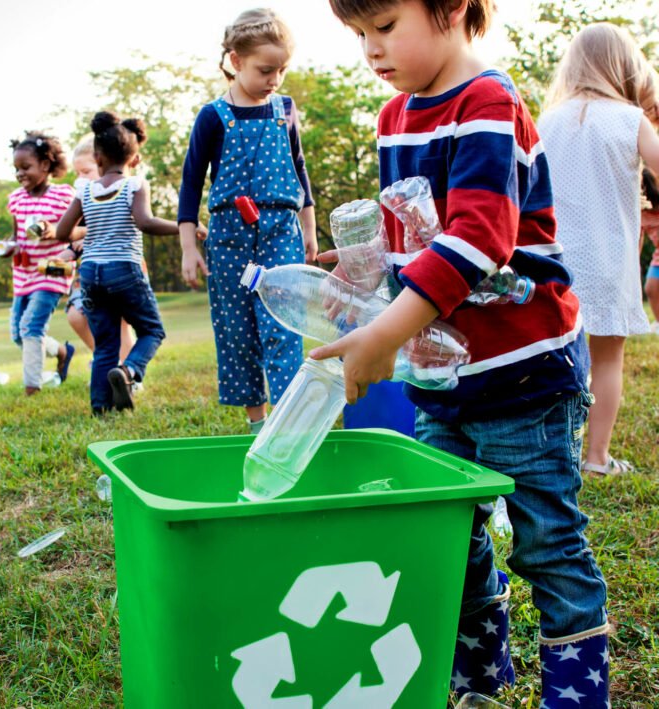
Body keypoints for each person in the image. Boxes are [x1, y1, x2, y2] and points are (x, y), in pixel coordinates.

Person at [318, 0, 609, 704]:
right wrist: (366, 269)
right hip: (441, 379)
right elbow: (422, 245)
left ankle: (577, 694)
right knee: (451, 535)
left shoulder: (488, 103)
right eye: (358, 34)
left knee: (546, 540)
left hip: (524, 378)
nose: (370, 51)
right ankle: (478, 677)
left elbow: (477, 243)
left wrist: (384, 333)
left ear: (451, 7)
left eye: (384, 27)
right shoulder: (395, 119)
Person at [178, 8, 319, 434]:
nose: (274, 79)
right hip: (229, 239)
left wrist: (309, 232)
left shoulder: (285, 110)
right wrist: (188, 247)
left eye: (282, 70)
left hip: (280, 232)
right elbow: (189, 185)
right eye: (265, 70)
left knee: (283, 326)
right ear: (236, 62)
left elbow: (300, 172)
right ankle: (259, 423)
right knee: (238, 331)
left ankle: (288, 422)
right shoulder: (212, 117)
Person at [538, 22, 659, 476]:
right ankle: (597, 457)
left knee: (555, 357)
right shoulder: (631, 120)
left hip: (554, 261)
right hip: (609, 259)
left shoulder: (548, 119)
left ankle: (554, 453)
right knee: (608, 358)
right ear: (626, 68)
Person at [56, 112, 197, 414]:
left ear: (97, 157)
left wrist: (90, 227)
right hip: (124, 269)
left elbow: (61, 232)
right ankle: (130, 371)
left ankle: (100, 407)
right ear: (134, 159)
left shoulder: (86, 191)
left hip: (92, 273)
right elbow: (145, 223)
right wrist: (184, 225)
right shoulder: (135, 185)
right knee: (152, 331)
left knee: (105, 343)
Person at [5, 131, 77, 396]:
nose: (20, 174)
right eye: (16, 169)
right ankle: (62, 351)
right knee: (18, 334)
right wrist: (8, 247)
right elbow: (17, 236)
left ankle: (32, 387)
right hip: (23, 274)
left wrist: (54, 230)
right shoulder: (15, 199)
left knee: (31, 328)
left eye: (26, 167)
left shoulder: (63, 196)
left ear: (45, 166)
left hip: (53, 270)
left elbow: (77, 229)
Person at [64, 136, 135, 362]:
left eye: (85, 171)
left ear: (104, 163)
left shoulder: (126, 192)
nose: (80, 178)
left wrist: (88, 236)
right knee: (76, 316)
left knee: (121, 324)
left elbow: (129, 228)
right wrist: (67, 252)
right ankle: (108, 362)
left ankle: (129, 375)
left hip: (121, 268)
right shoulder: (84, 200)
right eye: (77, 173)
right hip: (89, 274)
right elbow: (73, 234)